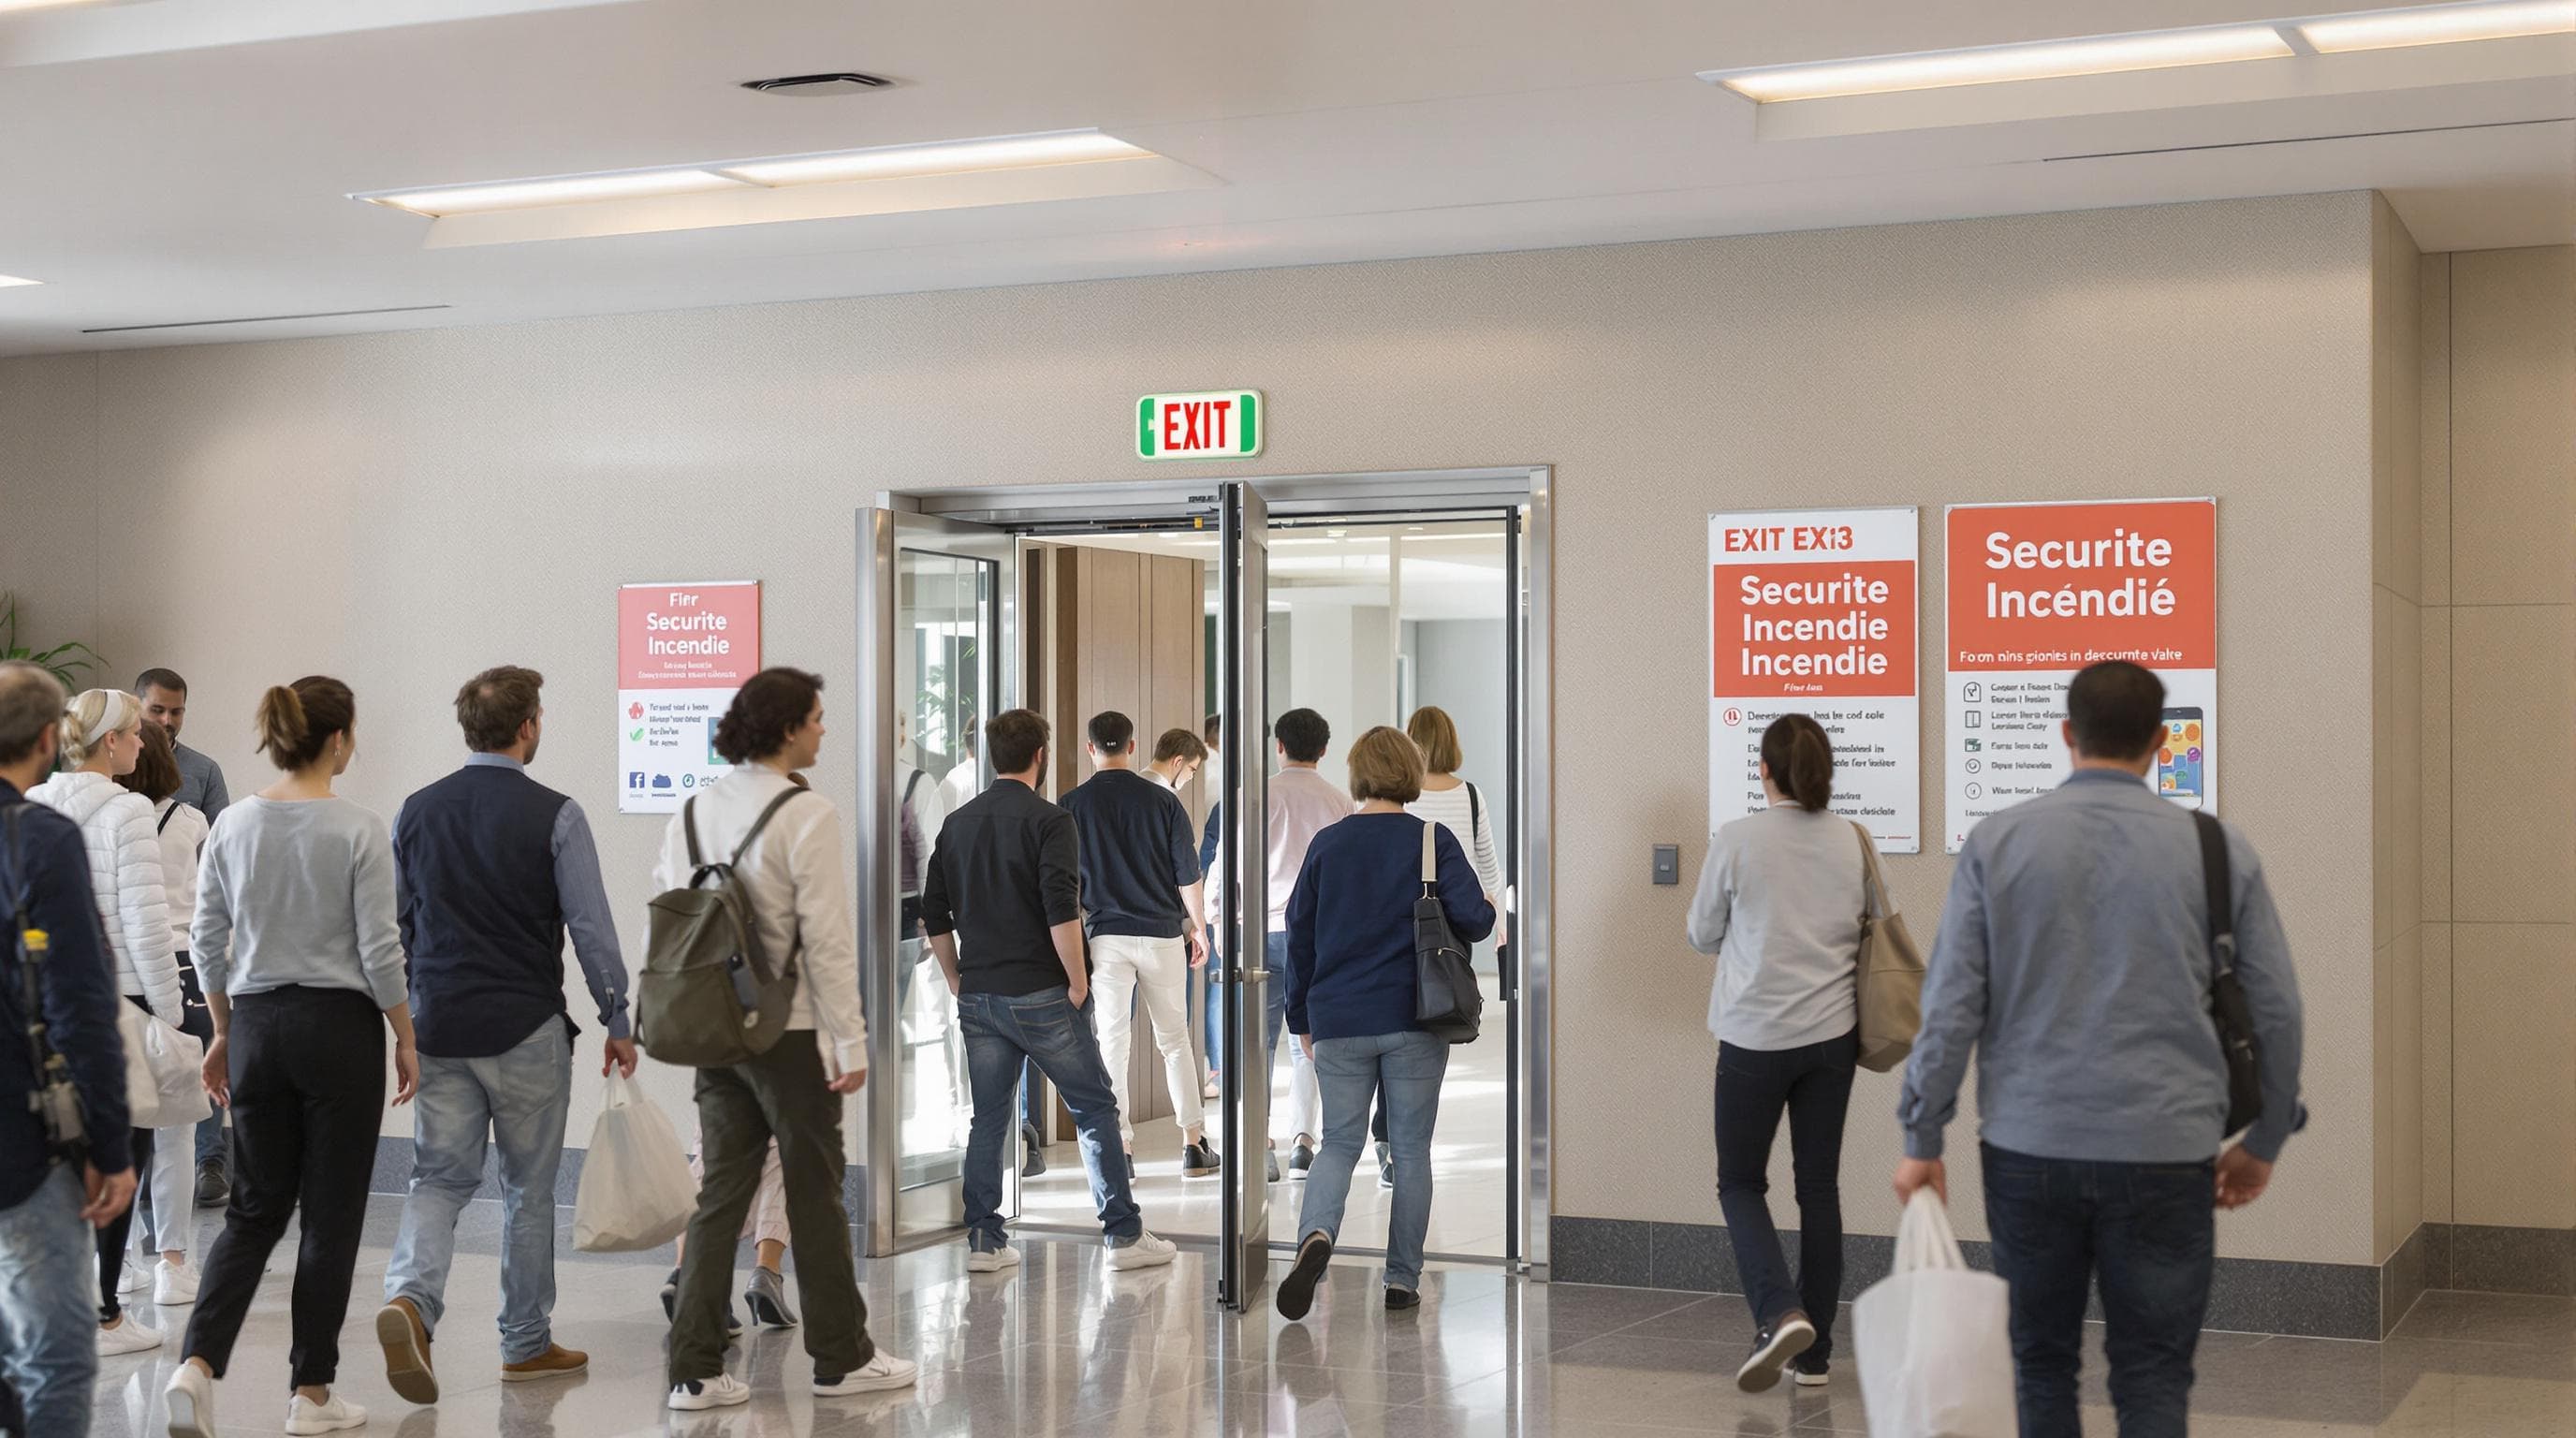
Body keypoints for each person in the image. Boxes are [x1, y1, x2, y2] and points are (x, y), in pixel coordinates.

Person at [1895, 661, 2306, 1438]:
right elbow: (2278, 1009)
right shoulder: (2219, 849)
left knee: (2040, 1363)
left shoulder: (1998, 841)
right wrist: (2265, 1138)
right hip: (2166, 1148)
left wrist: (1922, 1136)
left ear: (2065, 735)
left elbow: (1951, 1004)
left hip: (2028, 1146)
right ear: (2158, 741)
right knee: (2153, 1371)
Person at [653, 668, 915, 1412]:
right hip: (790, 1032)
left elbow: (668, 915)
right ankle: (841, 1357)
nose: (824, 730)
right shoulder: (806, 814)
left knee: (717, 1193)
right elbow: (827, 939)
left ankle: (694, 1369)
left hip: (714, 1031)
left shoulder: (694, 810)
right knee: (815, 1192)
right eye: (817, 718)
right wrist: (854, 1042)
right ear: (787, 728)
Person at [167, 676, 421, 1438]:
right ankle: (311, 1394)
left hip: (257, 1023)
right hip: (338, 1028)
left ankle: (196, 1366)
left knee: (252, 1210)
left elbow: (206, 940)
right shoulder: (358, 828)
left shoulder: (234, 823)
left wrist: (222, 1030)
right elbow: (381, 949)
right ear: (339, 740)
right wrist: (405, 1035)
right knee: (332, 1216)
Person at [375, 667, 635, 1403]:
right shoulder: (556, 814)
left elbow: (396, 925)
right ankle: (524, 1344)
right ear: (527, 727)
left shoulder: (415, 812)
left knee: (438, 1179)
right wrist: (617, 1015)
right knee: (526, 1190)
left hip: (439, 1025)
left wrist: (404, 1020)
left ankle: (410, 1302)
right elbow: (589, 927)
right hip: (526, 1028)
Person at [922, 708, 1177, 1275]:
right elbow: (1061, 907)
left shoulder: (958, 823)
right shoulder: (1050, 820)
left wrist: (956, 978)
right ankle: (1123, 1234)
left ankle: (985, 1241)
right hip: (1042, 991)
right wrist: (1079, 982)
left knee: (988, 1117)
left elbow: (933, 912)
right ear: (1042, 755)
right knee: (1093, 1107)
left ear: (993, 756)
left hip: (981, 994)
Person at [1274, 726, 1493, 1320]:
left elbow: (1300, 937)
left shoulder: (1327, 843)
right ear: (1410, 774)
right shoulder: (1432, 840)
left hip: (1338, 1017)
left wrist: (1301, 1020)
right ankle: (1400, 1279)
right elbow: (1476, 921)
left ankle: (1315, 1238)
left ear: (1357, 774)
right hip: (1415, 1017)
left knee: (1339, 1144)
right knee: (1412, 1150)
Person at [1686, 713, 1871, 1393]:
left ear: (1764, 770)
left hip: (1755, 1037)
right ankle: (1814, 1356)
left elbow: (1702, 934)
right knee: (1818, 1187)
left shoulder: (1737, 839)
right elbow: (1867, 922)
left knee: (1740, 1183)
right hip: (1833, 1039)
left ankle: (1777, 1313)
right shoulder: (1852, 839)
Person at [0, 661, 136, 1438]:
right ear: (50, 739)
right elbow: (81, 1003)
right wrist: (111, 1146)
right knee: (54, 1359)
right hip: (19, 1142)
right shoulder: (41, 841)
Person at [29, 689, 186, 1358]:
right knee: (125, 1145)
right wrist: (171, 1010)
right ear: (110, 743)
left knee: (55, 1156)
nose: (144, 743)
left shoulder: (33, 804)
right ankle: (104, 1314)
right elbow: (148, 924)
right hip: (119, 996)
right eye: (134, 734)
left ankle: (58, 1304)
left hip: (42, 1002)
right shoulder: (127, 811)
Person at [1061, 713, 1216, 1176]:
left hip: (1105, 938)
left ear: (1091, 749)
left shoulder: (1071, 804)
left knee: (1112, 1043)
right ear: (1132, 746)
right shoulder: (1163, 802)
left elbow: (1063, 881)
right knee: (1174, 1042)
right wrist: (1200, 929)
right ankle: (1192, 1143)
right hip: (1162, 936)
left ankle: (1121, 1148)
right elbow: (1187, 876)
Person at [111, 721, 211, 1308]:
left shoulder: (111, 819)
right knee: (177, 1127)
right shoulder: (193, 822)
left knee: (122, 1126)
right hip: (184, 971)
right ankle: (174, 1262)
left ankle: (121, 1261)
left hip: (122, 974)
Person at [134, 668, 230, 1210]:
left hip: (186, 944)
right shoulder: (111, 775)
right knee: (149, 1064)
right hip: (133, 948)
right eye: (157, 711)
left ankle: (211, 1158)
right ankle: (145, 1170)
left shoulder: (203, 774)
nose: (168, 721)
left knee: (198, 1055)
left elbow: (219, 860)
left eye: (177, 712)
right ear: (137, 707)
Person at [1267, 708, 1354, 1178]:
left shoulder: (1255, 797)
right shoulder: (1339, 803)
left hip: (1261, 931)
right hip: (1317, 934)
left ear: (1278, 745)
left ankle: (1258, 1142)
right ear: (1324, 750)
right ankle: (1303, 1139)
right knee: (1307, 1042)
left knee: (1257, 1045)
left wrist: (1219, 924)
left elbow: (1225, 871)